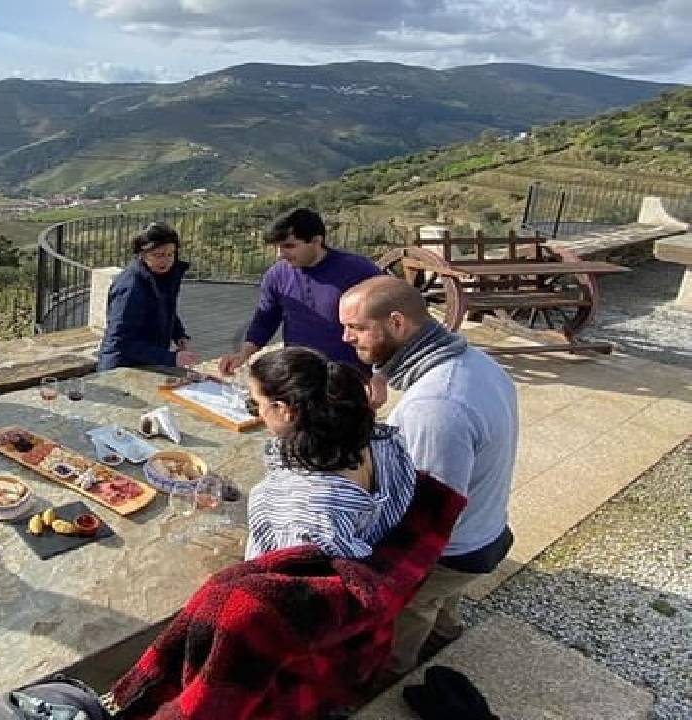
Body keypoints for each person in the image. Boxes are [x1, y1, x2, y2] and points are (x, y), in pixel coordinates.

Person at [106, 467, 466, 720]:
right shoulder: (384, 564)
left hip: (270, 697)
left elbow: (208, 704)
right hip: (330, 686)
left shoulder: (248, 605)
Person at [339, 275, 518, 675]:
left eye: (357, 327)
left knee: (409, 608)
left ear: (398, 323)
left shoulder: (435, 407)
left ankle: (392, 677)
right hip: (489, 525)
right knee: (443, 601)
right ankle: (449, 634)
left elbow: (425, 520)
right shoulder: (475, 361)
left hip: (457, 550)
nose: (346, 338)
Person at [243, 347, 416, 561]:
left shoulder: (295, 509)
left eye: (256, 404)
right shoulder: (388, 444)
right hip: (385, 548)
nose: (258, 413)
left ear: (283, 409)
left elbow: (292, 579)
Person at [219, 208, 383, 379]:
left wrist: (380, 375)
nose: (280, 254)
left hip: (349, 377)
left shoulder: (359, 271)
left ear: (316, 241)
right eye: (278, 247)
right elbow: (265, 320)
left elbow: (388, 325)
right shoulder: (276, 275)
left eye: (289, 246)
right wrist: (243, 355)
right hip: (298, 375)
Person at [98, 222, 198, 371]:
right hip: (122, 366)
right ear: (142, 254)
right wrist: (171, 358)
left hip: (148, 359)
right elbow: (121, 341)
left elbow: (165, 307)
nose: (166, 260)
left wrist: (179, 334)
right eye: (158, 255)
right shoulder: (131, 287)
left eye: (171, 254)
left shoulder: (164, 275)